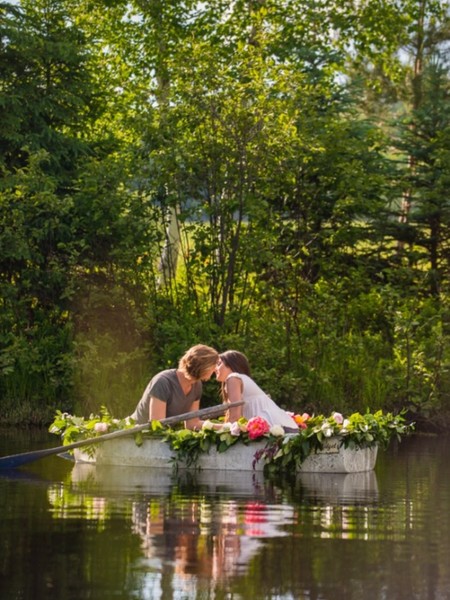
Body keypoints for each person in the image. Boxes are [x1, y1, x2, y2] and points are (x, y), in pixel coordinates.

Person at [131, 344, 219, 430]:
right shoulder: (163, 382)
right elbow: (157, 425)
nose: (215, 369)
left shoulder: (197, 385)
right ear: (203, 366)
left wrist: (225, 427)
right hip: (136, 436)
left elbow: (192, 423)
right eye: (213, 365)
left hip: (161, 438)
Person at [215, 350, 298, 432]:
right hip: (286, 427)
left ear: (231, 365)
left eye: (219, 364)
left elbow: (234, 419)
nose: (215, 369)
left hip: (277, 430)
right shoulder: (242, 379)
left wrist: (207, 426)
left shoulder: (233, 377)